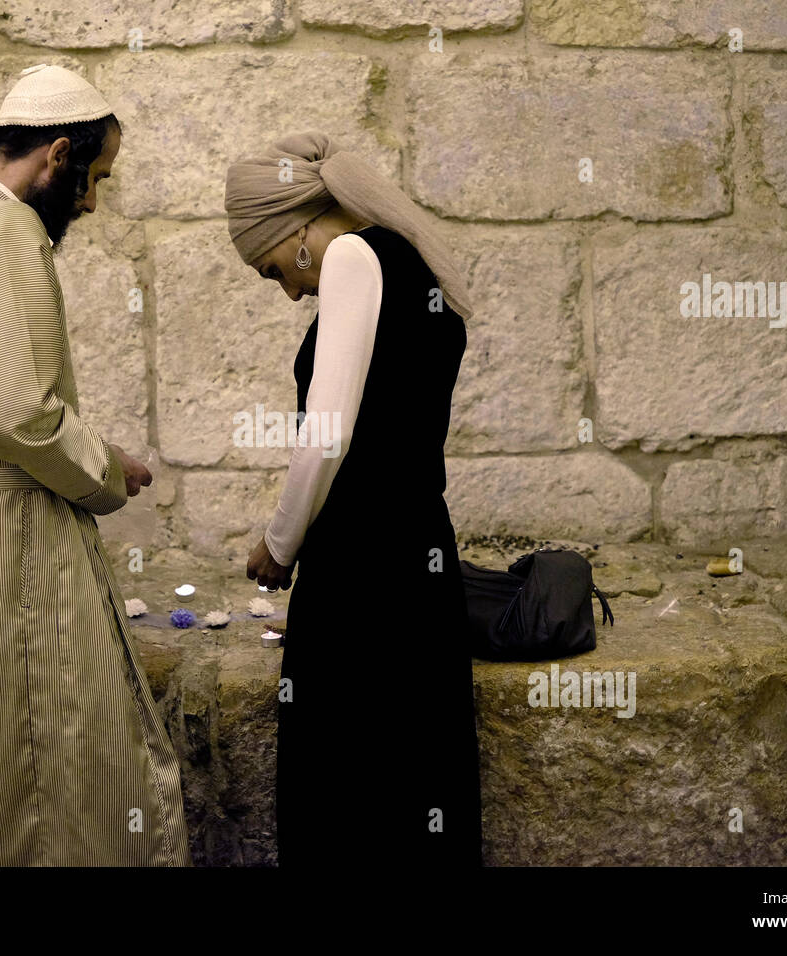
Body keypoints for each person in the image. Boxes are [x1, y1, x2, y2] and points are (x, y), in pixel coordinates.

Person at [0, 64, 192, 866]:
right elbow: (22, 413)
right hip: (17, 541)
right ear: (57, 154)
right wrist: (105, 471)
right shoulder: (4, 232)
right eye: (93, 179)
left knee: (4, 779)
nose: (92, 203)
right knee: (67, 779)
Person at [224, 130, 483, 866]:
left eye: (271, 267)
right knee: (415, 781)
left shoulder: (350, 256)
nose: (287, 289)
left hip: (360, 575)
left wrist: (277, 546)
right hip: (418, 561)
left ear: (295, 231)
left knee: (341, 798)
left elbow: (326, 435)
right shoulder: (413, 262)